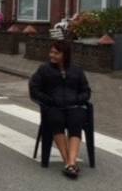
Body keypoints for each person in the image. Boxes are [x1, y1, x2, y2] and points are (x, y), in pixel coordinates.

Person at [28, 40, 91, 180]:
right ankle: (68, 162)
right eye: (51, 52)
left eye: (56, 53)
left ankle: (71, 162)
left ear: (65, 54)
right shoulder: (44, 69)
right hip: (53, 107)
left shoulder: (77, 71)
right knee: (57, 121)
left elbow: (86, 91)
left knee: (76, 122)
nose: (52, 55)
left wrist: (77, 100)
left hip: (73, 106)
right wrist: (48, 100)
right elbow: (34, 89)